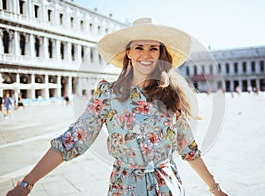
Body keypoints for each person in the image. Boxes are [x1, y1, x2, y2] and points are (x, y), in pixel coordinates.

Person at [6, 18, 228, 196]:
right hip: (126, 187)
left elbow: (188, 148)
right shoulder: (107, 94)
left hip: (168, 187)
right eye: (139, 47)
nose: (146, 54)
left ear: (161, 54)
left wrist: (215, 189)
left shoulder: (171, 95)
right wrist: (27, 183)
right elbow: (75, 138)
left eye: (153, 48)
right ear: (128, 54)